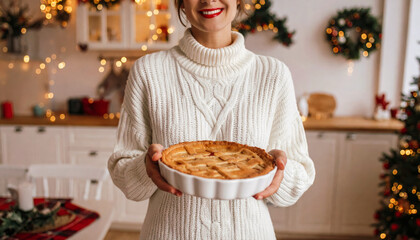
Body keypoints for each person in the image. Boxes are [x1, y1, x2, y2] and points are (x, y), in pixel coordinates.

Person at [108, 0, 316, 239]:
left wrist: (280, 171)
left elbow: (300, 176)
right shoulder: (149, 72)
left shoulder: (272, 75)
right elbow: (122, 170)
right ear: (181, 3)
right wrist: (146, 167)